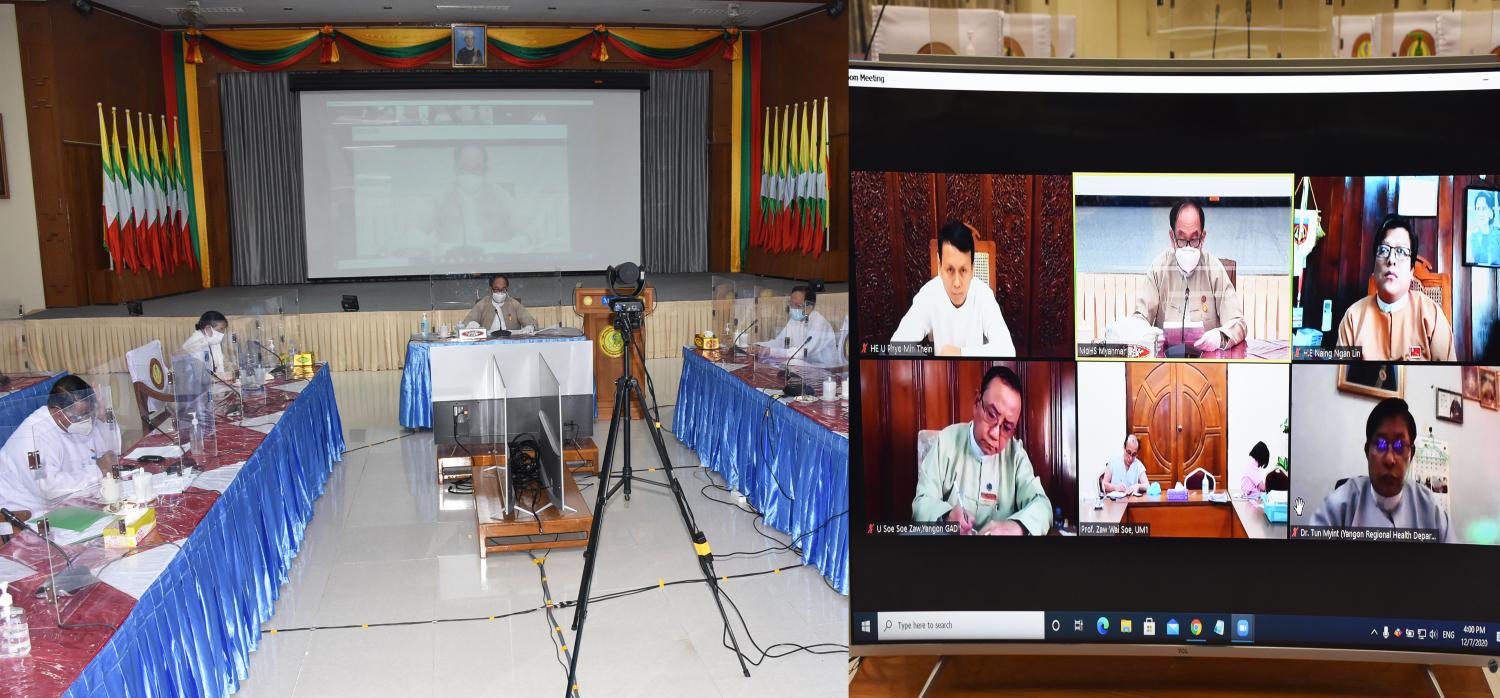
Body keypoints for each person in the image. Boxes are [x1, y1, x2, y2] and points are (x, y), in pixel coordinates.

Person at [911, 365, 1052, 535]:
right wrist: (947, 517)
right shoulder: (946, 441)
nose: (995, 434)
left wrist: (1017, 527)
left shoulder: (1016, 456)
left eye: (1007, 427)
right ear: (977, 403)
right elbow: (921, 503)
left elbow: (1042, 505)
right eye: (991, 414)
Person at [1309, 397, 1452, 542]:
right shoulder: (1340, 504)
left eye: (1399, 445)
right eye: (1380, 444)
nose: (1389, 459)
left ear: (1411, 454)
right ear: (1367, 452)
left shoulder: (1429, 506)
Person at [1132, 200, 1246, 356]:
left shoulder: (1214, 269)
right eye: (1181, 239)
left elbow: (1238, 323)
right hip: (1166, 363)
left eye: (1194, 239)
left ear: (1203, 237)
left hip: (1206, 362)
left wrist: (1219, 337)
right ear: (1172, 237)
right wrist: (1145, 333)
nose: (1187, 247)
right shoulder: (1159, 268)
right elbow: (1140, 317)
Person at [1336, 215, 1455, 361]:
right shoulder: (1353, 318)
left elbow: (1447, 374)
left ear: (1411, 271)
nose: (1391, 259)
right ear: (1374, 267)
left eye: (1401, 251)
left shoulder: (1432, 316)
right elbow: (1341, 372)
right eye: (1384, 250)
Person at [0, 376, 122, 519]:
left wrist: (103, 416)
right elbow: (50, 489)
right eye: (81, 416)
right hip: (25, 514)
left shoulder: (73, 421)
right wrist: (98, 470)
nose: (87, 420)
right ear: (57, 411)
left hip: (68, 504)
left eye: (90, 413)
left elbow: (112, 454)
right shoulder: (35, 436)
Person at [890, 221, 1016, 357]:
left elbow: (1008, 351)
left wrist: (960, 353)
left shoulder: (983, 295)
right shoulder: (930, 294)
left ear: (972, 269)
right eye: (950, 270)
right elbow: (896, 346)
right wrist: (932, 364)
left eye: (963, 270)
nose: (956, 283)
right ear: (940, 266)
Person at [430, 144, 520, 250]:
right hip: (452, 258)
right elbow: (419, 226)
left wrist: (521, 241)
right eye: (465, 167)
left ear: (485, 169)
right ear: (455, 167)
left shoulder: (500, 194)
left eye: (477, 168)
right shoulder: (441, 195)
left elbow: (526, 227)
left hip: (494, 258)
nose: (470, 172)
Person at [751, 286, 839, 366]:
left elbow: (802, 353)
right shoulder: (795, 320)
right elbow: (779, 342)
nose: (793, 308)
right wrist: (757, 346)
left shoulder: (819, 323)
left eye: (797, 305)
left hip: (823, 369)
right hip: (803, 365)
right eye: (791, 304)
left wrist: (770, 351)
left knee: (785, 364)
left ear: (810, 306)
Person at [462, 274, 537, 334]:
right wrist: (471, 324)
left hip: (510, 342)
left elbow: (529, 320)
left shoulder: (514, 304)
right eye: (497, 289)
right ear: (491, 290)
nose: (500, 292)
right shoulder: (482, 304)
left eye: (503, 289)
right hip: (488, 343)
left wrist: (530, 326)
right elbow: (466, 322)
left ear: (507, 289)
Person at [182, 311, 231, 381]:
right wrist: (223, 377)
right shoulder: (193, 345)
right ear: (208, 328)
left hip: (213, 383)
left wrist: (232, 370)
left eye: (223, 330)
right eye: (220, 330)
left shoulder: (213, 341)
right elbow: (200, 377)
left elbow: (222, 363)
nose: (222, 334)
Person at [1470, 189, 1497, 266]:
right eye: (1478, 209)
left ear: (1491, 212)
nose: (1480, 213)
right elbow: (1480, 260)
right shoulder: (1474, 237)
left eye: (1484, 208)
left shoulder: (1497, 234)